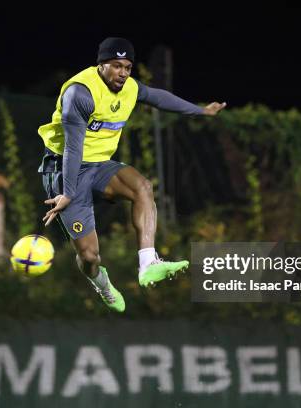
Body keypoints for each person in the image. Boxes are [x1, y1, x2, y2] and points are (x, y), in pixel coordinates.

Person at [38, 37, 226, 313]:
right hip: (65, 168)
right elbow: (72, 148)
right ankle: (102, 284)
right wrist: (67, 192)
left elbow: (158, 97)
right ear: (101, 65)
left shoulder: (129, 87)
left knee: (142, 187)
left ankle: (148, 263)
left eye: (127, 67)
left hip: (99, 164)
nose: (123, 73)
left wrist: (201, 111)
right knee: (90, 256)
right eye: (116, 66)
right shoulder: (79, 94)